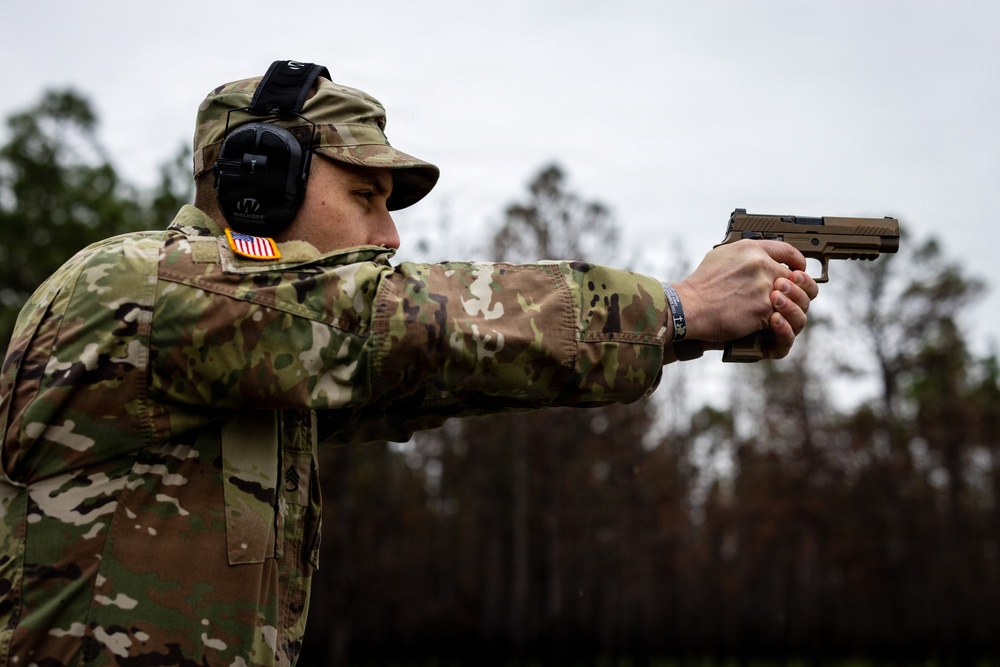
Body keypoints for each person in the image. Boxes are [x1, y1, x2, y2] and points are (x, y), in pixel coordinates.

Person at [0, 61, 818, 666]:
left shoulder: (251, 353)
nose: (390, 237)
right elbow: (406, 324)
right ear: (259, 181)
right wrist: (677, 304)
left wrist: (681, 332)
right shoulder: (145, 284)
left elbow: (439, 369)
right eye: (366, 197)